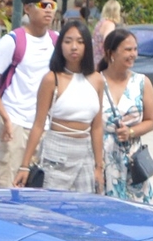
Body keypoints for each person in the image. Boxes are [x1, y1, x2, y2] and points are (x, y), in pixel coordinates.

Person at [0, 0, 58, 187]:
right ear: (27, 9)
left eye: (52, 5)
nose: (49, 10)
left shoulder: (57, 42)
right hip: (14, 124)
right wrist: (5, 116)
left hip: (44, 128)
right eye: (43, 5)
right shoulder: (13, 41)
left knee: (38, 192)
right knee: (8, 188)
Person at [15, 19, 103, 193]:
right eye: (68, 41)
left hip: (85, 153)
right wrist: (24, 165)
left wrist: (99, 166)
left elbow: (97, 126)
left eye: (80, 42)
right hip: (56, 151)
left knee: (82, 209)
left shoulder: (97, 80)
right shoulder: (51, 79)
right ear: (60, 45)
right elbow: (38, 124)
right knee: (52, 206)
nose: (74, 47)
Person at [95, 27, 153, 201]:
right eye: (127, 50)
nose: (133, 54)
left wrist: (130, 132)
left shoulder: (142, 82)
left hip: (132, 162)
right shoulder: (96, 81)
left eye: (135, 49)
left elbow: (151, 121)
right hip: (103, 159)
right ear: (111, 53)